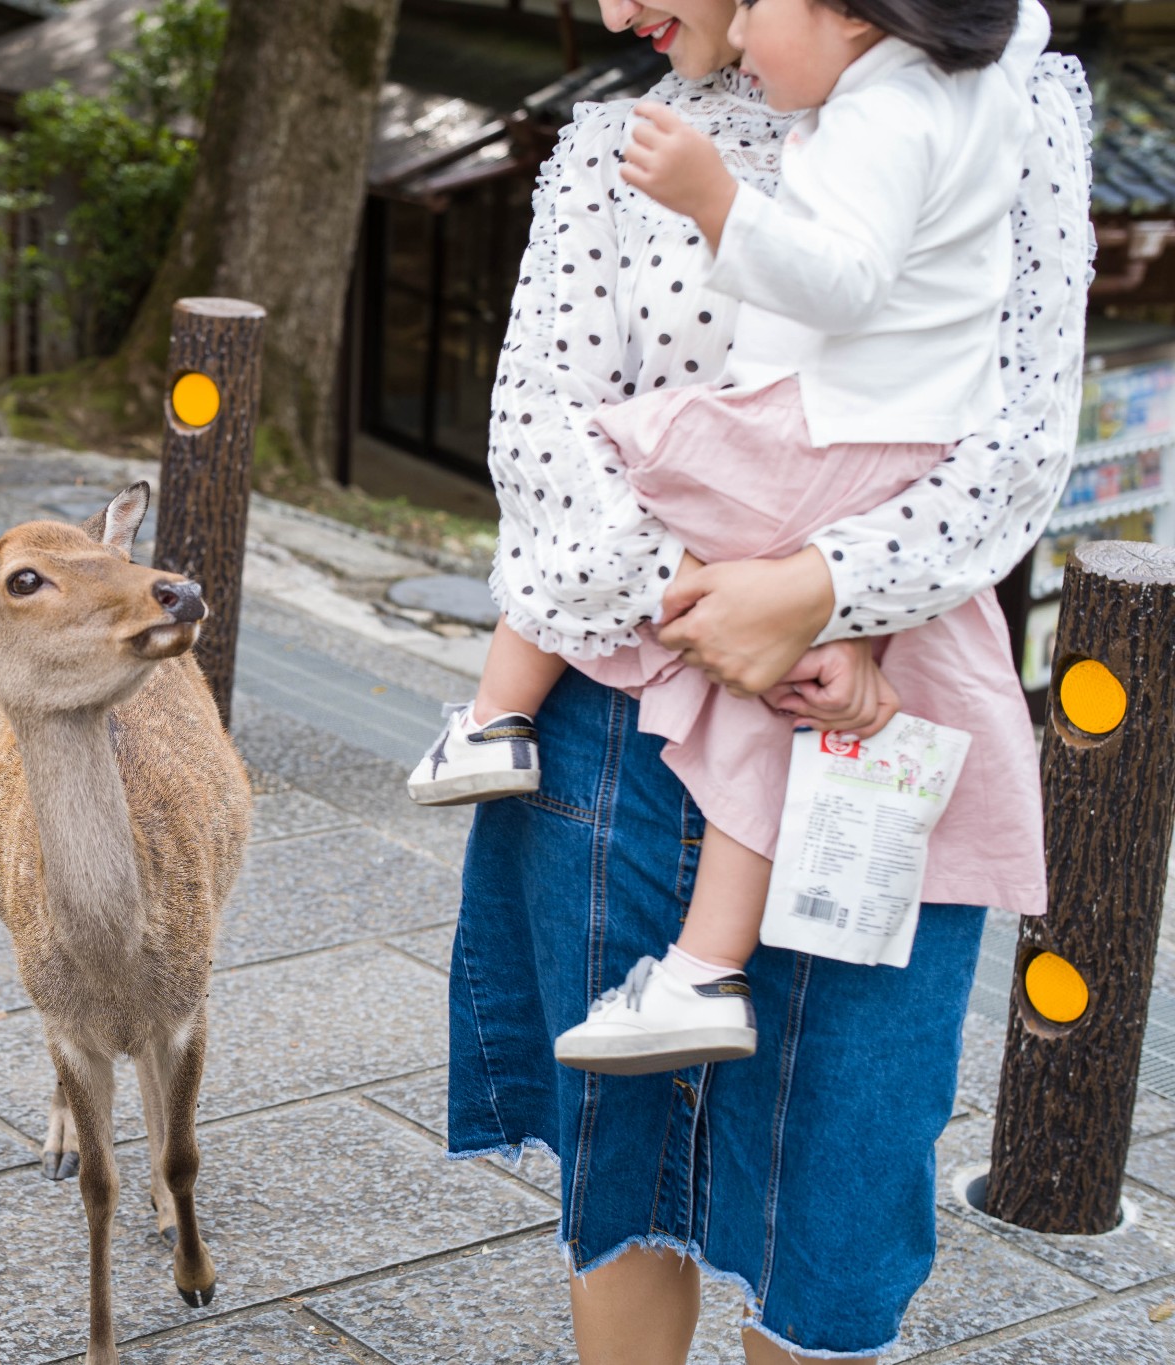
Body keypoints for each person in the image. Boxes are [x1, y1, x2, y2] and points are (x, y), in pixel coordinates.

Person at [441, 0, 1090, 1360]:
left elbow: (1019, 443)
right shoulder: (615, 137)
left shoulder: (1005, 104)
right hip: (623, 714)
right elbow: (544, 443)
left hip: (872, 704)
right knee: (620, 1167)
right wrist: (725, 607)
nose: (616, 12)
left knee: (844, 1186)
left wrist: (820, 594)